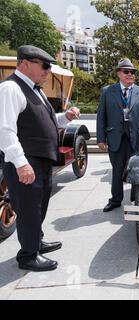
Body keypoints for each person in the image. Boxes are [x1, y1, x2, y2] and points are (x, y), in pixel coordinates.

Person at [0, 45, 80, 272]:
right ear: (25, 63)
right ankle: (27, 256)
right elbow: (5, 130)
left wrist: (65, 117)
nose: (47, 70)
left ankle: (36, 242)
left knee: (40, 205)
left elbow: (45, 121)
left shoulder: (35, 89)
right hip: (27, 161)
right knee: (28, 209)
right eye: (44, 66)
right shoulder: (11, 89)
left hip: (41, 160)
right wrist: (21, 163)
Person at [96, 58, 139, 212]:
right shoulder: (107, 91)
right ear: (118, 73)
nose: (130, 74)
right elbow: (101, 116)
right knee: (117, 171)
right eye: (126, 71)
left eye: (132, 72)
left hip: (137, 140)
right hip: (116, 139)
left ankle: (137, 200)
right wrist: (101, 138)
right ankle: (115, 200)